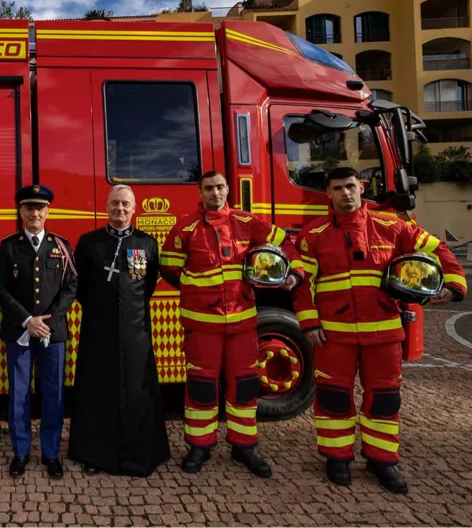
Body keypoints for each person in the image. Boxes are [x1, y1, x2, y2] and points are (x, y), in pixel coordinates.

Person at [294, 166, 467, 493]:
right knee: (333, 398)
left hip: (384, 332)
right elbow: (304, 285)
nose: (345, 193)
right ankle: (337, 458)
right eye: (337, 188)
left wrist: (455, 285)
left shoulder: (393, 226)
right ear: (328, 193)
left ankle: (382, 461)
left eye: (350, 186)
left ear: (361, 187)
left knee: (385, 400)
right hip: (334, 335)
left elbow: (438, 248)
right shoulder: (312, 235)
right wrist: (309, 322)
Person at [160, 171, 302, 477]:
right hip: (202, 325)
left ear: (228, 190)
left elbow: (287, 243)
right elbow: (169, 267)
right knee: (201, 387)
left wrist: (294, 273)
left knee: (246, 385)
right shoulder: (185, 227)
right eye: (209, 188)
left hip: (242, 324)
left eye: (220, 187)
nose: (215, 193)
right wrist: (196, 293)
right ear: (200, 192)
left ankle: (244, 446)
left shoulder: (248, 222)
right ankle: (199, 446)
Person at [68, 185, 170, 476]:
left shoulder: (146, 243)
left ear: (134, 208)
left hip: (136, 334)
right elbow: (79, 287)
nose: (120, 209)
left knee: (137, 393)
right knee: (97, 392)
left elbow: (146, 286)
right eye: (115, 203)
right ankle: (95, 455)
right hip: (97, 332)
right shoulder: (89, 242)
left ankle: (139, 453)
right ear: (106, 206)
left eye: (125, 204)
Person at [0, 184, 77, 479]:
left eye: (40, 208)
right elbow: (0, 288)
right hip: (19, 332)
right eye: (29, 208)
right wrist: (27, 320)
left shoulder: (61, 246)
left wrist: (48, 323)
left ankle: (51, 453)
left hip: (53, 335)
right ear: (21, 212)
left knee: (53, 395)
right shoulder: (9, 246)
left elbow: (70, 287)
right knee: (19, 395)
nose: (35, 213)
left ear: (48, 212)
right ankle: (20, 452)